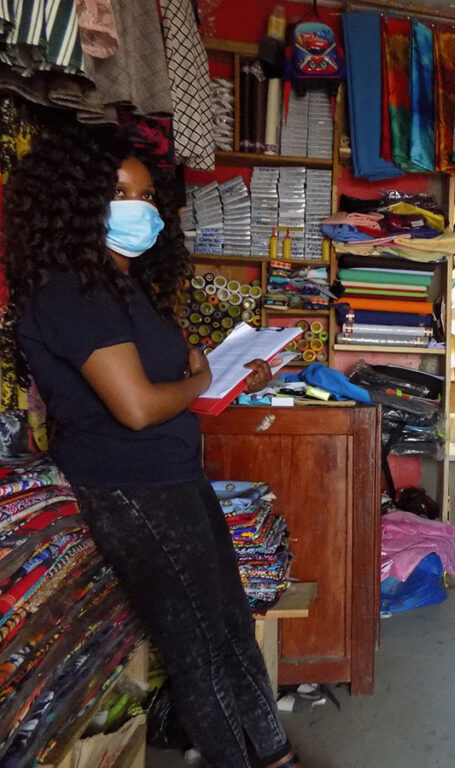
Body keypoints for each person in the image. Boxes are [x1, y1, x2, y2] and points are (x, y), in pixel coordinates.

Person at [2, 122, 299, 768]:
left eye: (145, 194)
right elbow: (136, 407)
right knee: (198, 647)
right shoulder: (71, 292)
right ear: (80, 202)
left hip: (170, 476)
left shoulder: (119, 287)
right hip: (131, 487)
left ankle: (275, 756)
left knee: (230, 628)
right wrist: (199, 378)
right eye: (121, 192)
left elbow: (170, 384)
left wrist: (224, 374)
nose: (141, 207)